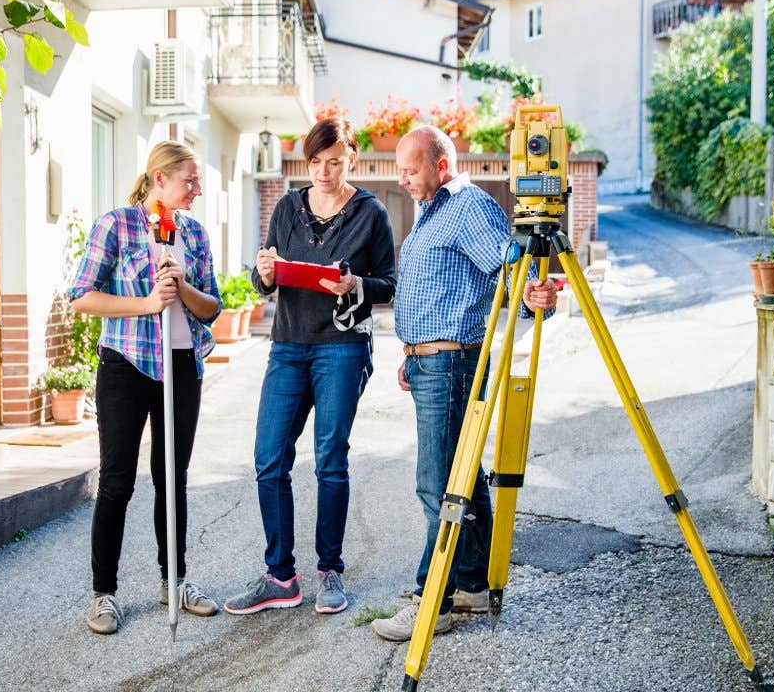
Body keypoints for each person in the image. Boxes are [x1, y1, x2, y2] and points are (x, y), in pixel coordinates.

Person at [371, 125, 558, 642]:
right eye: (400, 170)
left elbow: (507, 265)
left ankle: (432, 600)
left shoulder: (468, 206)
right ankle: (473, 586)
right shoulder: (434, 211)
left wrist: (531, 298)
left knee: (438, 487)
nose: (402, 179)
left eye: (410, 169)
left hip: (452, 364)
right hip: (433, 363)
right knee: (464, 477)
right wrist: (413, 352)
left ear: (442, 166)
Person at [224, 117, 397, 616]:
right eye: (316, 162)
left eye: (335, 162)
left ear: (352, 161)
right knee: (269, 458)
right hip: (288, 345)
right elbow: (267, 282)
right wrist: (261, 274)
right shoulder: (286, 207)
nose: (324, 171)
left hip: (341, 347)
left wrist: (355, 285)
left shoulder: (371, 212)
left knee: (329, 459)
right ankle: (280, 576)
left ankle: (330, 571)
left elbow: (388, 282)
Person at [68, 140, 223, 634]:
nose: (197, 190)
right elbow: (81, 297)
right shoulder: (117, 224)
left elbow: (212, 308)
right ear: (160, 180)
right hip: (127, 363)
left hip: (181, 364)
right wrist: (147, 303)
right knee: (117, 479)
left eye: (197, 181)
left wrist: (183, 287)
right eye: (189, 181)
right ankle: (104, 594)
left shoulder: (193, 234)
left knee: (172, 476)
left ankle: (173, 580)